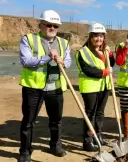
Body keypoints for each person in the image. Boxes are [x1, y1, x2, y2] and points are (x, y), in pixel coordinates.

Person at [18, 10, 71, 162]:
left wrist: (62, 61)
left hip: (55, 88)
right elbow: (26, 61)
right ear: (40, 25)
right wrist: (47, 58)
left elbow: (68, 62)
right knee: (28, 121)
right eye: (48, 24)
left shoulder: (63, 43)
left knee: (56, 120)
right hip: (34, 87)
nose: (52, 28)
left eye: (55, 25)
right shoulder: (28, 39)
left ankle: (55, 145)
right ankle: (25, 151)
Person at [75, 23, 115, 151]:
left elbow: (111, 64)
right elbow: (87, 70)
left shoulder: (104, 50)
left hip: (104, 86)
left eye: (101, 36)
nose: (99, 39)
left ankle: (98, 136)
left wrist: (110, 55)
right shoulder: (82, 52)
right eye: (96, 36)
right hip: (90, 87)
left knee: (100, 113)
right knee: (90, 114)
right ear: (90, 37)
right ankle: (87, 141)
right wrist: (104, 72)